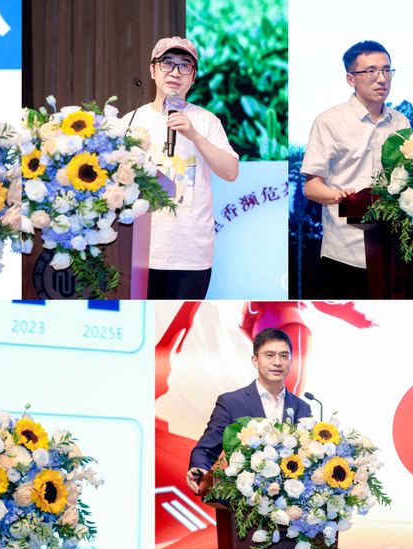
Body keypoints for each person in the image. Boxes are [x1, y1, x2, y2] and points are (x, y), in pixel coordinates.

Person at [123, 36, 239, 300]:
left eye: (184, 66)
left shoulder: (206, 121)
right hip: (140, 252)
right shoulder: (131, 121)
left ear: (193, 76)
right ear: (152, 70)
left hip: (190, 253)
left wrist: (195, 135)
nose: (175, 72)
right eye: (167, 63)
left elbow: (231, 172)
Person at [301, 40, 410, 299]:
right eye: (371, 71)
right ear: (351, 79)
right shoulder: (329, 121)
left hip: (392, 252)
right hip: (345, 253)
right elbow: (311, 187)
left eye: (386, 70)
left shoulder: (401, 122)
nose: (381, 78)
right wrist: (339, 196)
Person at [185, 327, 312, 493]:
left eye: (284, 356)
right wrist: (200, 468)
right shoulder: (231, 402)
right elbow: (205, 450)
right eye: (269, 355)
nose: (277, 362)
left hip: (290, 502)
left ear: (291, 360)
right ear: (255, 360)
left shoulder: (302, 407)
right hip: (244, 500)